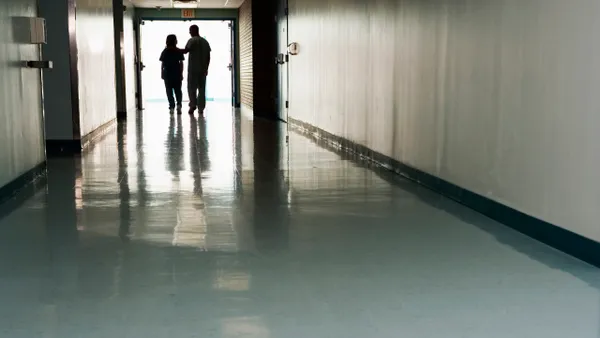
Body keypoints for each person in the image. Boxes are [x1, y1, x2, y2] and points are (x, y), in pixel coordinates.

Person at [180, 24, 211, 115]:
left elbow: (185, 51)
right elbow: (208, 57)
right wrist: (206, 68)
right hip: (203, 70)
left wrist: (174, 49)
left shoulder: (192, 40)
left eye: (190, 31)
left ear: (194, 31)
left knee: (191, 88)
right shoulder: (205, 42)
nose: (189, 32)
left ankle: (193, 105)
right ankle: (201, 108)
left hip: (193, 69)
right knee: (202, 89)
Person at [159, 34, 184, 114]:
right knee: (178, 91)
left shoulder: (165, 51)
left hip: (167, 73)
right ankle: (179, 105)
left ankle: (172, 107)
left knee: (169, 91)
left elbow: (162, 63)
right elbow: (181, 63)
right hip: (176, 73)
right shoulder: (178, 51)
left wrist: (162, 73)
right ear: (175, 41)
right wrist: (181, 73)